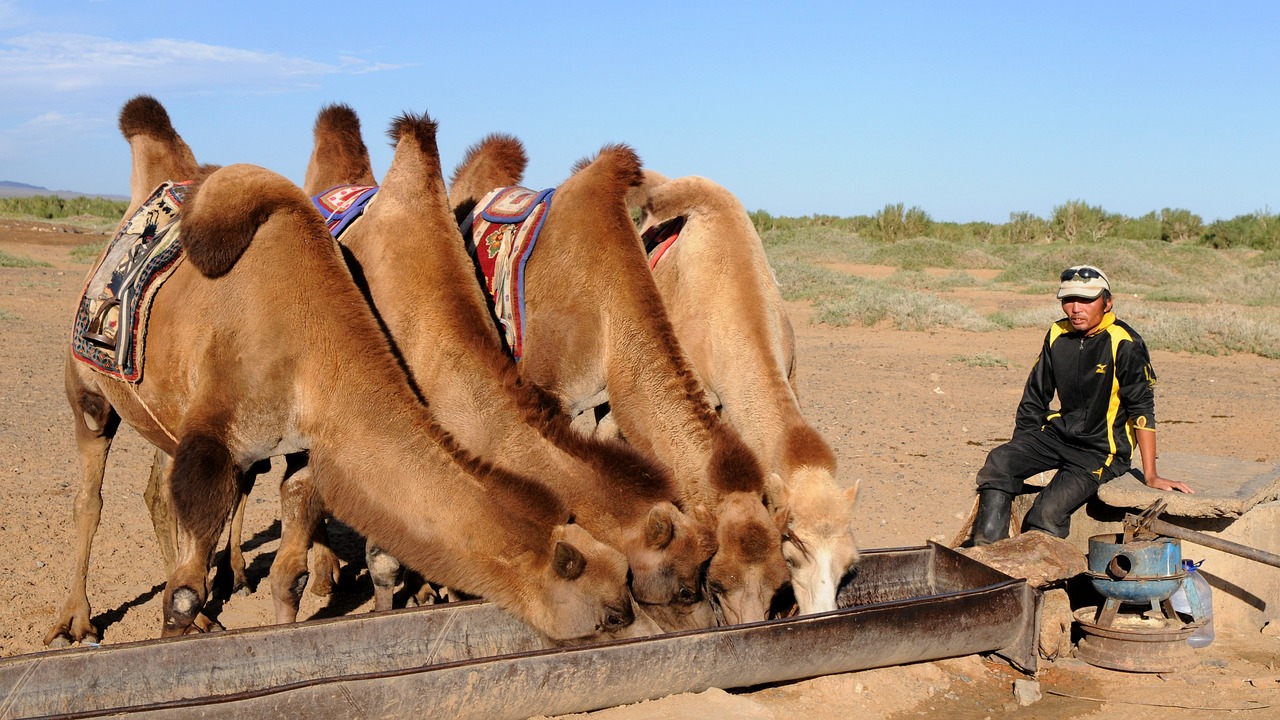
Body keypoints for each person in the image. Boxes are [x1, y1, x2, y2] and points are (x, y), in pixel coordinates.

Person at [970, 264, 1194, 546]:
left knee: (1046, 513)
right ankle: (986, 554)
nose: (1076, 308)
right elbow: (1035, 396)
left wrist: (1151, 475)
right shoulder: (1057, 334)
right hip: (1059, 436)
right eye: (1068, 300)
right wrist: (1024, 448)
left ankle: (1044, 581)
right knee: (1000, 462)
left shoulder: (1125, 343)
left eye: (1086, 300)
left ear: (1107, 302)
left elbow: (1142, 411)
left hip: (1100, 451)